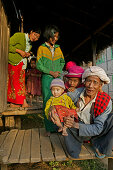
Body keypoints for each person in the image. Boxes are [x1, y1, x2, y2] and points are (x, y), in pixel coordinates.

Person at [49, 66, 113, 158]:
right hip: (77, 132)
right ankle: (74, 147)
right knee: (63, 117)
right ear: (84, 82)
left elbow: (98, 128)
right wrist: (53, 107)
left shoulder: (105, 101)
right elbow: (59, 99)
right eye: (88, 81)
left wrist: (75, 125)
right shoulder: (77, 93)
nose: (91, 86)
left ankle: (99, 145)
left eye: (95, 82)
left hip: (97, 133)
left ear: (100, 85)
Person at [36, 25, 65, 136]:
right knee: (48, 101)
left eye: (57, 37)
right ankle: (48, 128)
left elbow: (62, 61)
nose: (55, 39)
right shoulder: (41, 48)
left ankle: (58, 126)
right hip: (47, 78)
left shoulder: (58, 48)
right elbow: (39, 65)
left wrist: (57, 71)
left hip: (57, 78)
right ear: (48, 35)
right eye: (53, 36)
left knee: (58, 101)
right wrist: (50, 72)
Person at [7, 29, 41, 107]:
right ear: (31, 31)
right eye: (35, 35)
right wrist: (19, 51)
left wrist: (27, 54)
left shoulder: (30, 44)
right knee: (14, 83)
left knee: (21, 83)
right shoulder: (19, 35)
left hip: (22, 64)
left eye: (37, 37)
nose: (35, 38)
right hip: (14, 62)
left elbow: (23, 52)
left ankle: (22, 102)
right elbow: (7, 45)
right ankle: (14, 103)